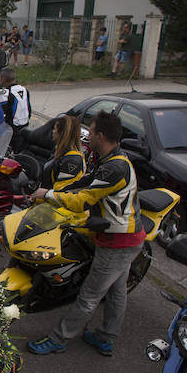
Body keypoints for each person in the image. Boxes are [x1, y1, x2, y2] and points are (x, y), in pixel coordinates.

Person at [28, 111, 144, 357]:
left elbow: (83, 199)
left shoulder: (115, 167)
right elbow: (86, 182)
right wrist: (51, 191)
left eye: (90, 132)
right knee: (116, 290)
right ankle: (106, 337)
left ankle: (59, 339)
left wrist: (48, 195)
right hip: (124, 237)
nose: (87, 136)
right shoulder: (112, 159)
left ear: (100, 136)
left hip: (118, 241)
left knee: (90, 295)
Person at [43, 115, 86, 191]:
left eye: (55, 129)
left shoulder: (72, 161)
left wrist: (41, 196)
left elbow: (61, 192)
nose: (53, 131)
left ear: (61, 134)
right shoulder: (63, 153)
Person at [0, 67, 31, 150]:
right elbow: (29, 109)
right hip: (25, 127)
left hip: (12, 131)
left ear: (3, 79)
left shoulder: (6, 93)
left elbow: (2, 114)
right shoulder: (24, 90)